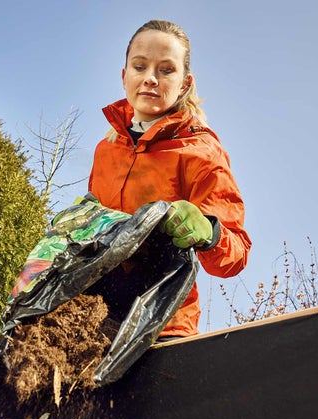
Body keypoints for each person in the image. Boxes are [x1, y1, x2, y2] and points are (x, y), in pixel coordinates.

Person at [87, 19, 252, 338]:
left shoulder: (201, 152)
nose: (150, 78)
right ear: (124, 76)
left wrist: (209, 232)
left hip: (163, 325)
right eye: (139, 66)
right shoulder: (106, 149)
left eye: (166, 70)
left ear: (185, 84)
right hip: (96, 319)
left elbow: (236, 256)